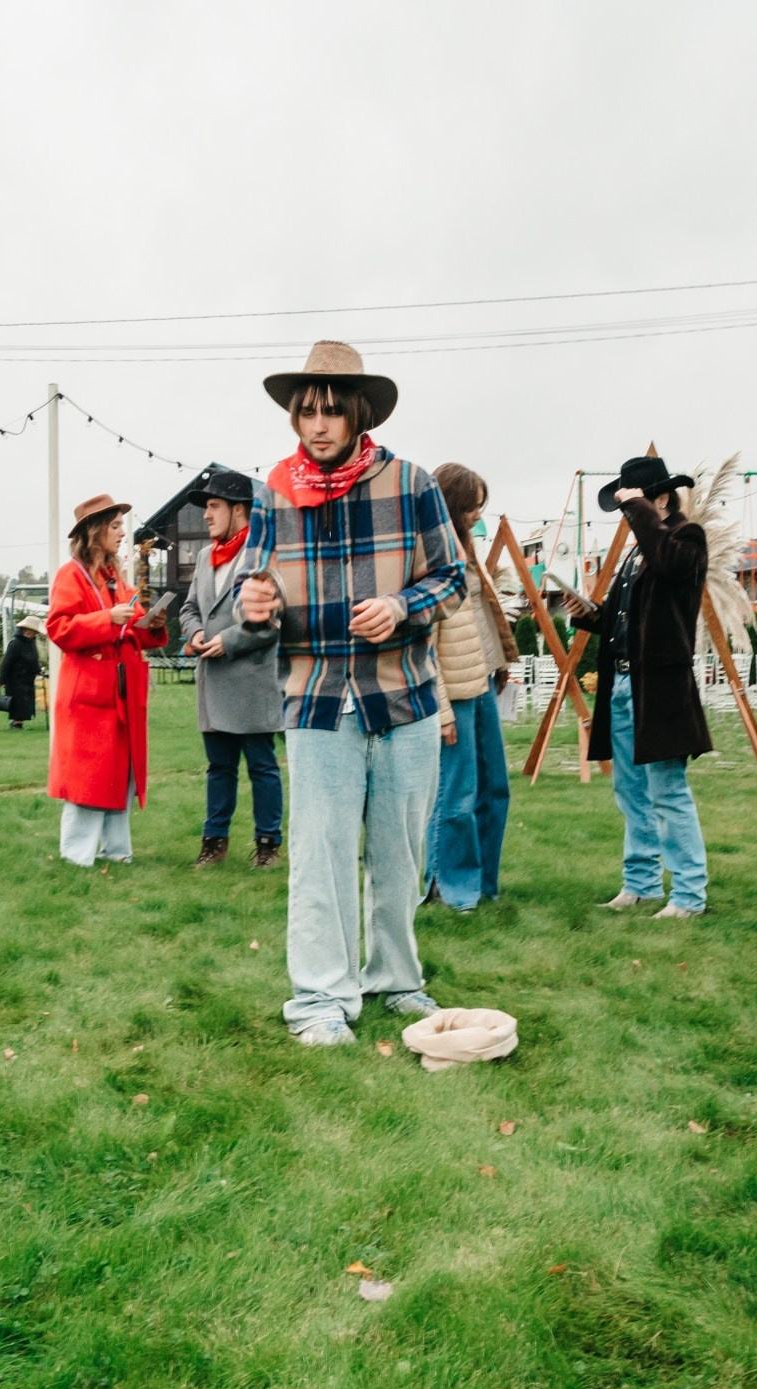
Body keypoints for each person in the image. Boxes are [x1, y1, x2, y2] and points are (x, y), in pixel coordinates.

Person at [233, 341, 467, 1044]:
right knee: (320, 855)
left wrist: (402, 607)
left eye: (332, 411)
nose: (319, 425)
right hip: (316, 699)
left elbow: (452, 579)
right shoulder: (272, 491)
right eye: (307, 411)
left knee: (399, 856)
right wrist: (255, 606)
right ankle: (319, 1000)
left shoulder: (414, 483)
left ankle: (396, 980)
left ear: (359, 413)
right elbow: (255, 587)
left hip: (404, 698)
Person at [567, 454, 714, 919]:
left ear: (661, 499)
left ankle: (689, 896)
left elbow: (671, 567)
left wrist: (642, 515)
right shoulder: (639, 549)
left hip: (662, 689)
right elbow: (626, 619)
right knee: (630, 793)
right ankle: (641, 884)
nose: (626, 519)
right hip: (624, 685)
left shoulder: (686, 538)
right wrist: (586, 613)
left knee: (667, 792)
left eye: (631, 507)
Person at [46, 493, 165, 866]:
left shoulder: (115, 576)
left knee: (119, 776)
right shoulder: (71, 575)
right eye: (115, 527)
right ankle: (77, 855)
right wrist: (106, 620)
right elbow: (59, 628)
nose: (121, 534)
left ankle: (117, 852)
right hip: (89, 695)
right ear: (95, 531)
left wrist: (152, 625)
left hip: (120, 693)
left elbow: (133, 624)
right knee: (89, 779)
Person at [175, 466, 284, 868]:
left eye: (214, 505)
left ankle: (268, 844)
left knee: (262, 767)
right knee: (219, 768)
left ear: (240, 510)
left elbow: (274, 621)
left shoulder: (263, 554)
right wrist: (196, 631)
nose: (206, 514)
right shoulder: (204, 556)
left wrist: (229, 641)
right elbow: (189, 608)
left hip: (253, 681)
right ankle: (213, 843)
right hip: (213, 681)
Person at [424, 462, 519, 910]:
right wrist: (441, 710)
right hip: (454, 693)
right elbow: (426, 643)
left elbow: (479, 617)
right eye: (472, 508)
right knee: (456, 794)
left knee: (494, 788)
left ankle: (483, 882)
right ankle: (446, 885)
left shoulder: (466, 548)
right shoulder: (430, 554)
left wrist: (500, 660)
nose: (478, 516)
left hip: (480, 682)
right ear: (452, 505)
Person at [0, 613, 44, 729]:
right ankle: (16, 723)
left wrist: (38, 670)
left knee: (25, 701)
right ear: (24, 630)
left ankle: (18, 723)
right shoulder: (15, 643)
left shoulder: (31, 642)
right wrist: (2, 680)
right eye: (30, 631)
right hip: (15, 679)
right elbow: (6, 662)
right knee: (18, 701)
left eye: (34, 632)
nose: (32, 634)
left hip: (27, 678)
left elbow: (33, 659)